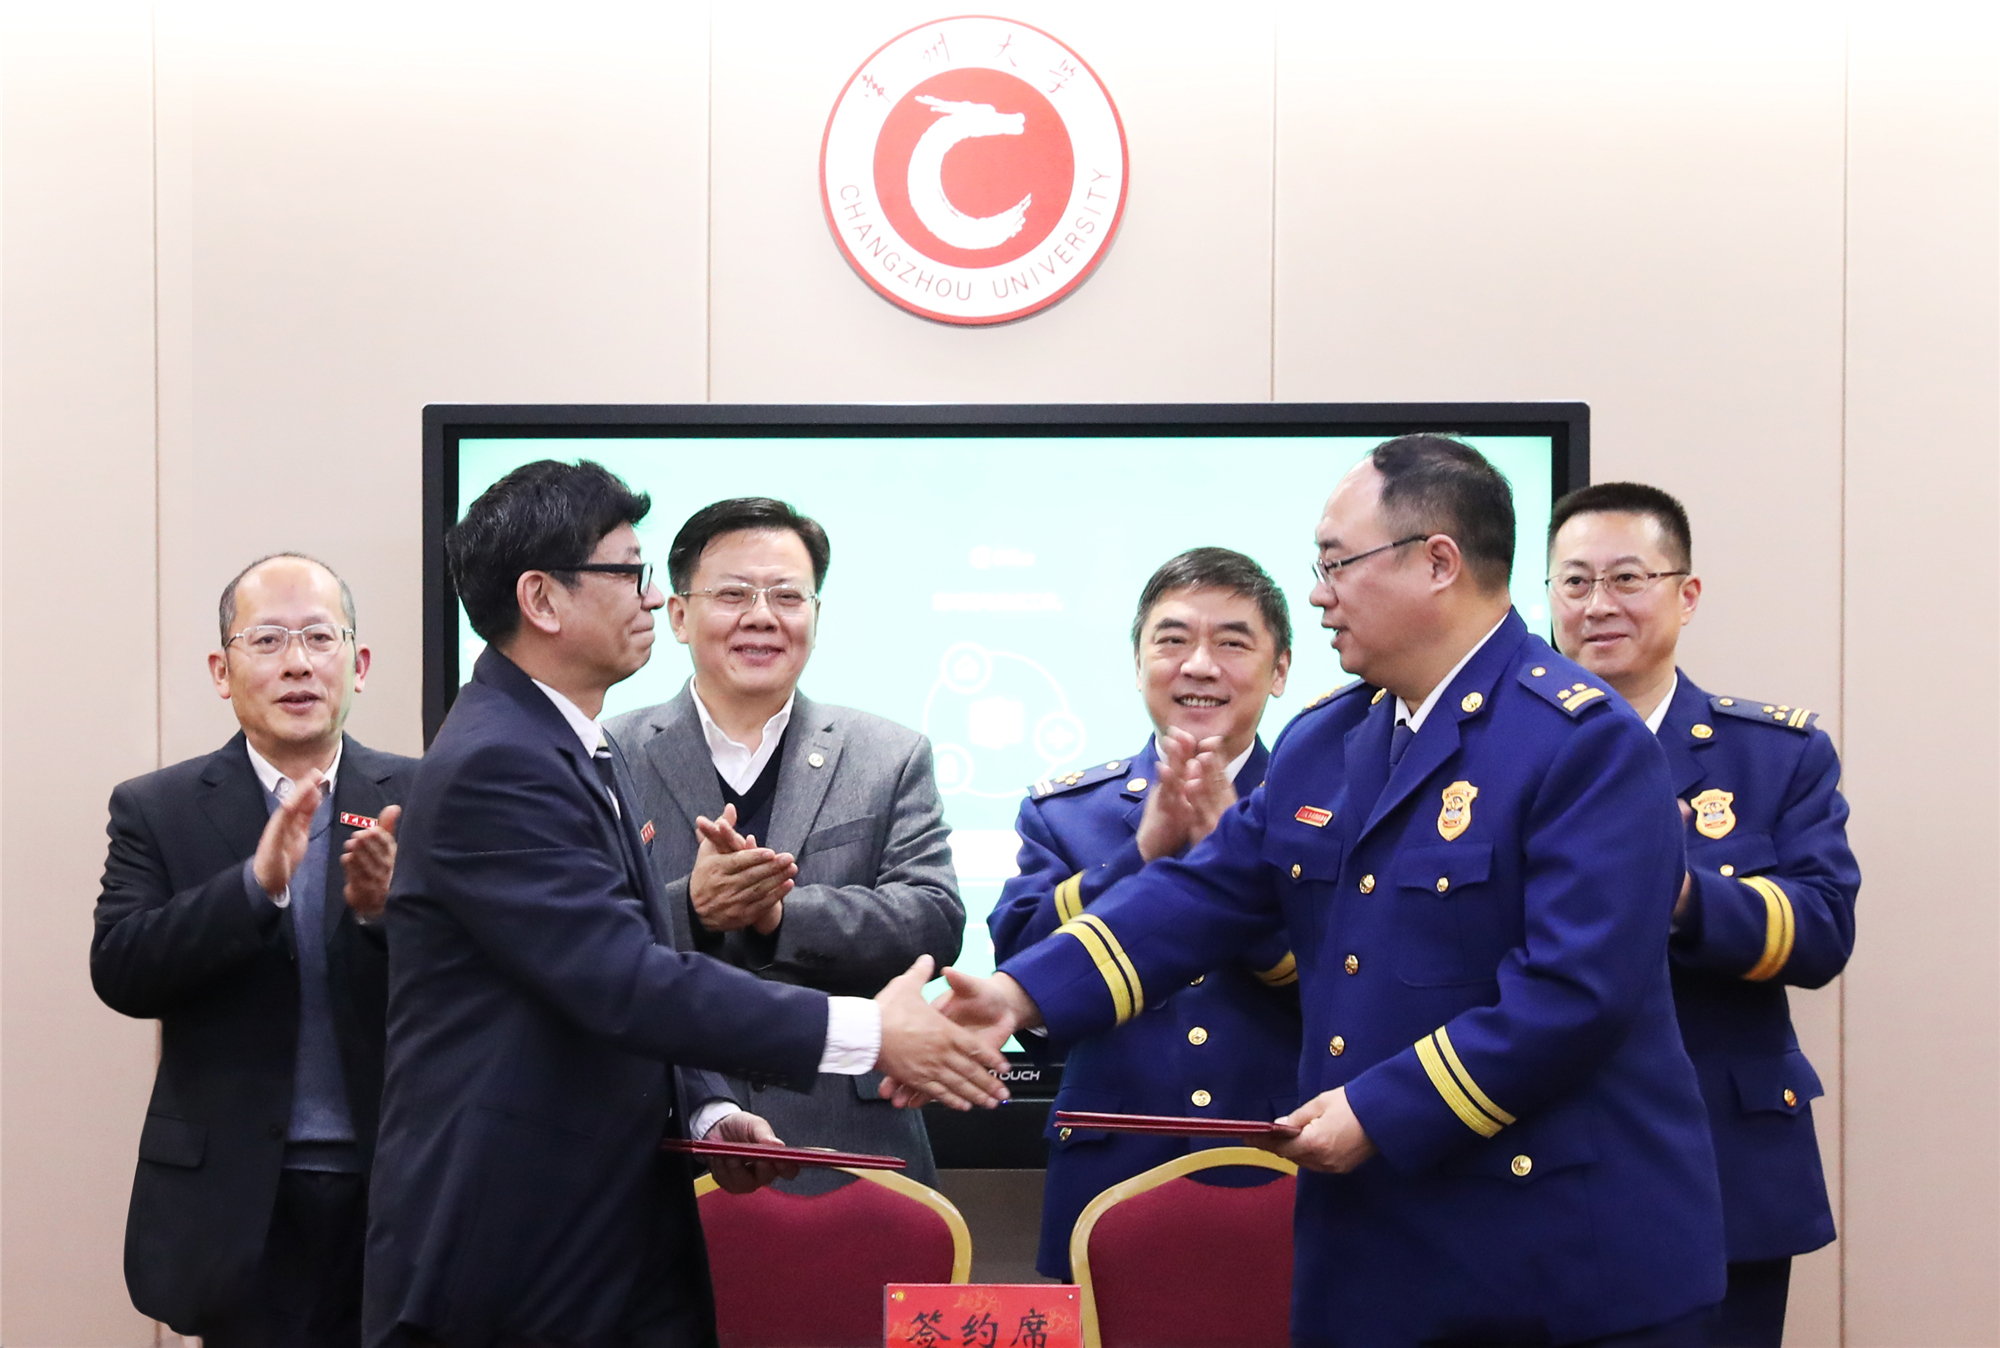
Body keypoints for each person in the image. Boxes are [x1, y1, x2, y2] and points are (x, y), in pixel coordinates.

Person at [906, 436, 1728, 1346]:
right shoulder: (1329, 741)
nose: (1318, 594)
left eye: (1336, 563)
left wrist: (1379, 1109)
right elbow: (1203, 894)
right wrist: (1017, 995)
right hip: (1373, 1250)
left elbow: (1574, 995)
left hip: (1556, 1260)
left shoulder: (1585, 742)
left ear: (1437, 563)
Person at [365, 460, 1007, 1348]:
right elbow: (621, 979)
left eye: (788, 595)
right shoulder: (502, 761)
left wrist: (706, 1109)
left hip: (596, 1229)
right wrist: (867, 1030)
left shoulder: (561, 743)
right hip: (520, 1243)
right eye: (629, 572)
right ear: (542, 599)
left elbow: (615, 977)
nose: (647, 595)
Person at [1547, 481, 1858, 1348]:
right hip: (1535, 1162)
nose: (1598, 605)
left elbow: (1822, 931)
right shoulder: (1496, 753)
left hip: (1720, 1167)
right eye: (1574, 582)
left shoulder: (1774, 755)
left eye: (1627, 578)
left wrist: (1684, 895)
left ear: (1685, 595)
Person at [91, 554, 416, 1347]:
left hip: (395, 1189)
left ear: (359, 665)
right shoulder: (158, 808)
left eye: (320, 638)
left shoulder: (425, 797)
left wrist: (388, 915)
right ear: (221, 670)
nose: (297, 663)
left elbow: (482, 983)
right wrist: (254, 886)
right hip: (236, 1204)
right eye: (267, 640)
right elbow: (122, 968)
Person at [607, 497, 963, 1188]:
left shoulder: (889, 754)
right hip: (660, 1137)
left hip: (851, 1146)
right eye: (733, 594)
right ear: (678, 616)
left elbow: (935, 919)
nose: (762, 616)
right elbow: (583, 941)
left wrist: (780, 918)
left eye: (788, 596)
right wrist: (693, 909)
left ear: (815, 618)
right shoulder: (609, 752)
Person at [988, 546, 1302, 1279]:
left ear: (1280, 670)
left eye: (1233, 643)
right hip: (1111, 1171)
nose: (1199, 665)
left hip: (1281, 1162)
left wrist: (1233, 851)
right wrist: (1139, 856)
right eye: (1172, 640)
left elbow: (1352, 979)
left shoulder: (1328, 803)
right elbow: (1021, 968)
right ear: (1137, 665)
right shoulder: (1067, 811)